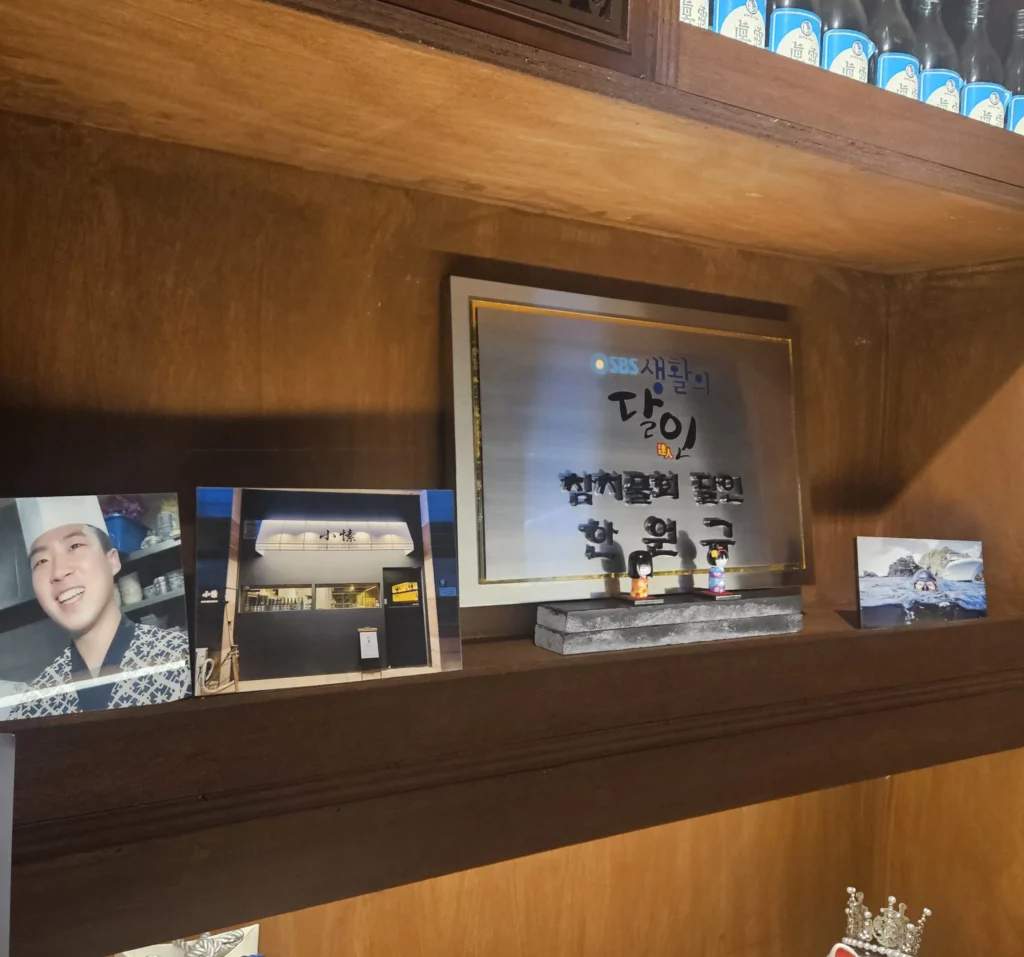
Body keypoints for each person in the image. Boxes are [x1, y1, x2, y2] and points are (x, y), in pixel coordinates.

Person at [9, 496, 191, 719]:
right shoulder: (31, 708)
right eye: (41, 561)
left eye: (74, 546)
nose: (58, 572)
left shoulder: (186, 661)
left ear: (112, 561)